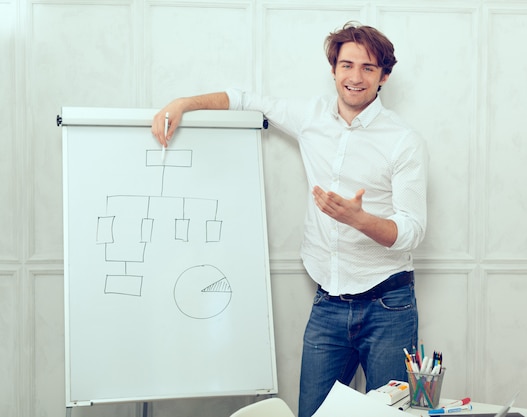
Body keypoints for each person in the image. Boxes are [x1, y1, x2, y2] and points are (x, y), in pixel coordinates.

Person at [152, 21, 428, 417]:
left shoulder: (403, 140)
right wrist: (182, 104)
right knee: (312, 414)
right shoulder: (310, 116)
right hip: (328, 303)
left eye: (368, 68)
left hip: (389, 305)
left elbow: (413, 231)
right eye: (346, 65)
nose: (355, 77)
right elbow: (244, 99)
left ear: (384, 76)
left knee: (391, 415)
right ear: (333, 69)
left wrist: (359, 219)